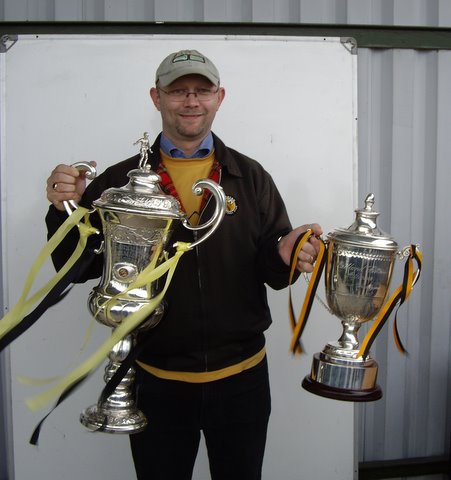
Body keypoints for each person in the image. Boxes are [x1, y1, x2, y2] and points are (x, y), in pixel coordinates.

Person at [45, 49, 323, 480]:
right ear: (156, 97)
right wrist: (64, 210)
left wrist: (284, 254)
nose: (191, 101)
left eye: (202, 90)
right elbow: (78, 268)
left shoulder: (251, 178)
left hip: (242, 381)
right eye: (178, 91)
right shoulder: (117, 182)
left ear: (219, 97)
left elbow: (272, 271)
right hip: (156, 381)